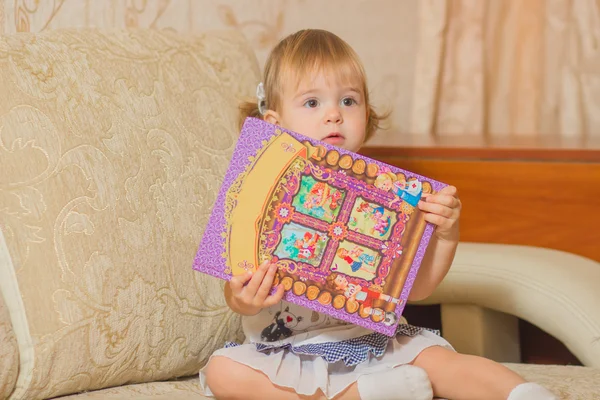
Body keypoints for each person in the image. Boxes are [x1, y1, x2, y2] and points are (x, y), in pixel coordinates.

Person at [199, 29, 557, 400]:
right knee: (224, 371)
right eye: (312, 103)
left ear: (366, 114)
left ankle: (523, 394)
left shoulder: (387, 196)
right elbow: (235, 286)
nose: (334, 115)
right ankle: (348, 396)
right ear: (273, 123)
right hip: (287, 351)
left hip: (375, 343)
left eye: (349, 101)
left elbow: (417, 288)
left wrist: (446, 234)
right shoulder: (261, 189)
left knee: (442, 361)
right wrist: (245, 298)